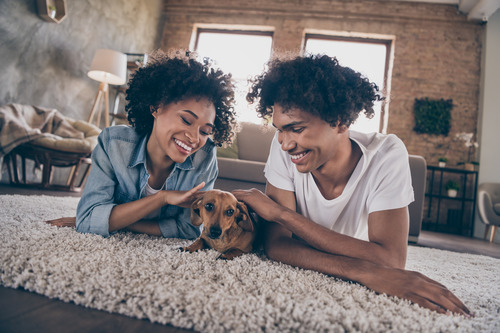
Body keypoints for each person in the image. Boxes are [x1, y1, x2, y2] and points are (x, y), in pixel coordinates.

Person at [233, 54, 471, 316]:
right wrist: (361, 270)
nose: (286, 143)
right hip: (351, 258)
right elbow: (277, 244)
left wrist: (281, 214)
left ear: (340, 121)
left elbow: (390, 260)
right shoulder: (284, 149)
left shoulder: (386, 155)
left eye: (297, 129)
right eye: (279, 129)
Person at [49, 50, 237, 239]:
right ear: (156, 107)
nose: (195, 138)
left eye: (205, 131)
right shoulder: (113, 144)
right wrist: (162, 198)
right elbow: (89, 219)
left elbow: (189, 229)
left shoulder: (204, 157)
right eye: (187, 120)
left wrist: (115, 221)